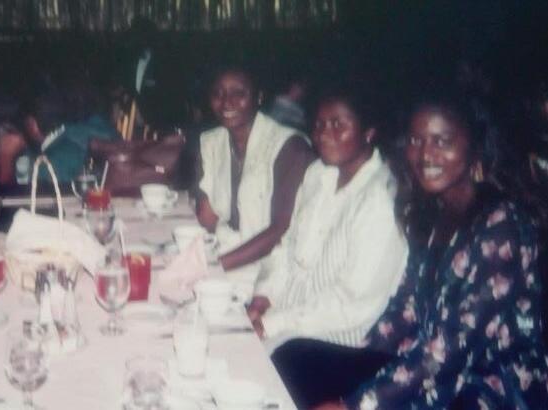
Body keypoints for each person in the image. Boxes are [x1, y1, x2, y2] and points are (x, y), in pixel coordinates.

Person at [316, 95, 548, 409]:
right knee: (301, 360)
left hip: (489, 389)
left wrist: (357, 404)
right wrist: (358, 362)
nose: (425, 154)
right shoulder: (432, 212)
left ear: (475, 146)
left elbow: (454, 348)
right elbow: (405, 309)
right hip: (431, 373)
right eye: (416, 140)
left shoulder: (502, 224)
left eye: (442, 141)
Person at [246, 89, 407, 407]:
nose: (323, 134)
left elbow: (352, 304)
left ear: (368, 132)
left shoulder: (381, 198)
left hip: (336, 341)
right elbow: (286, 247)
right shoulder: (318, 174)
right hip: (285, 318)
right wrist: (263, 298)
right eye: (319, 125)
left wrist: (272, 323)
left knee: (255, 378)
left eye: (338, 124)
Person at [195, 66, 315, 288]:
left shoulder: (289, 147)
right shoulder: (212, 141)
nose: (226, 102)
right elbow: (207, 216)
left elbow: (281, 230)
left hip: (270, 272)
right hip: (225, 255)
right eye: (218, 93)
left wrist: (212, 267)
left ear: (258, 97)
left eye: (238, 93)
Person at [1, 89, 119, 184]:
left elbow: (12, 201)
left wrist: (6, 156)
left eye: (24, 124)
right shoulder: (95, 126)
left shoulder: (47, 165)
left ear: (33, 125)